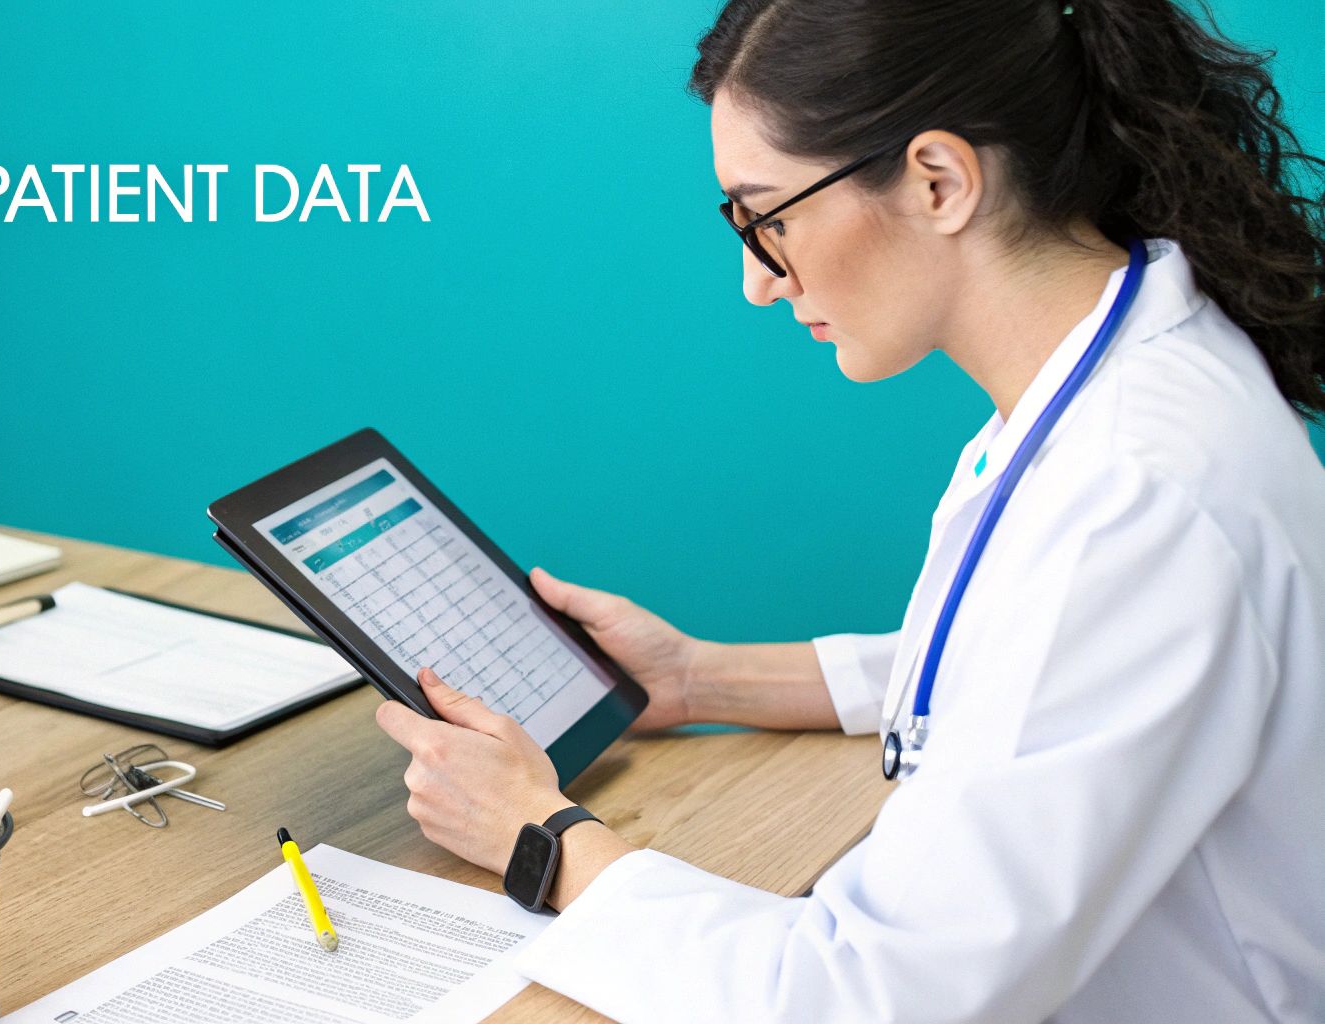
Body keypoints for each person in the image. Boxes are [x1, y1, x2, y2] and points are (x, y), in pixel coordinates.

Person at [373, 0, 1325, 1020]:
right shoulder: (1123, 386)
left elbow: (869, 996)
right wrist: (695, 678)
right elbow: (1025, 668)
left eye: (768, 218)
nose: (756, 281)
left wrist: (542, 837)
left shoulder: (1133, 491)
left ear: (937, 181)